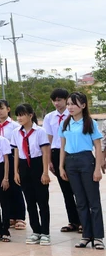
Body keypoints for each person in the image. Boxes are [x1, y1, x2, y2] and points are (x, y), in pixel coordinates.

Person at [59, 92, 105, 250]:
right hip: (71, 163)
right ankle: (86, 235)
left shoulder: (89, 123)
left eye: (74, 104)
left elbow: (98, 146)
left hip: (86, 161)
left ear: (83, 106)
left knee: (93, 202)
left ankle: (98, 237)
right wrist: (61, 166)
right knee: (80, 201)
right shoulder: (65, 124)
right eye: (69, 104)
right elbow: (62, 146)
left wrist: (97, 168)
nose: (70, 107)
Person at [13, 104, 52, 245]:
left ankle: (45, 232)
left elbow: (45, 152)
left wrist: (45, 172)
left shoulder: (40, 131)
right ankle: (36, 230)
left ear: (30, 115)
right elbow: (16, 152)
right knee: (30, 202)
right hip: (24, 166)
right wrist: (16, 171)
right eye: (17, 115)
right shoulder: (16, 132)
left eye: (22, 114)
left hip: (37, 165)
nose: (19, 118)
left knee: (42, 201)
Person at [44, 88, 81, 234]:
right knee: (66, 190)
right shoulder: (49, 117)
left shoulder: (72, 114)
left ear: (66, 100)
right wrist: (48, 160)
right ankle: (73, 221)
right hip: (56, 153)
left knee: (77, 189)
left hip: (71, 152)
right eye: (54, 100)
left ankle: (84, 221)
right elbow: (48, 139)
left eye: (59, 100)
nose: (56, 103)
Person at [0, 99, 26, 230]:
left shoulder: (14, 126)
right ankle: (10, 216)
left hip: (12, 156)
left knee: (15, 187)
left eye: (1, 108)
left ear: (8, 109)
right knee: (3, 188)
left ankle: (20, 217)